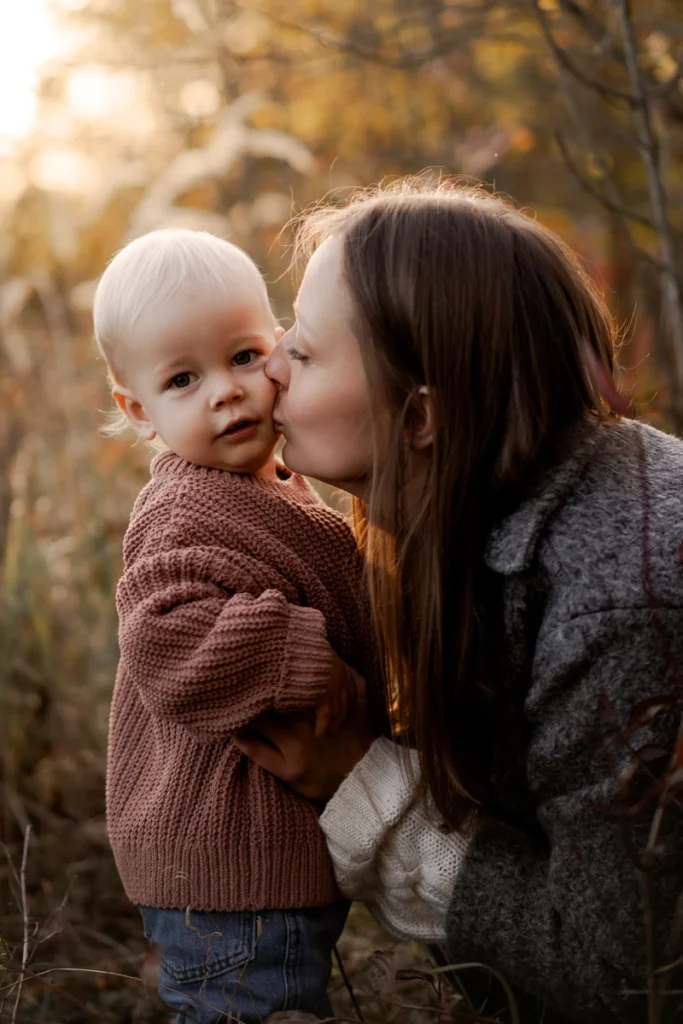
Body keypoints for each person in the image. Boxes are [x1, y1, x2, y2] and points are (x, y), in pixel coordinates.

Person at [233, 180, 683, 1024]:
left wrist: (362, 785)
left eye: (310, 349)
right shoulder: (515, 503)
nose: (270, 358)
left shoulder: (617, 603)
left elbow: (627, 976)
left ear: (420, 418)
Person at [94, 229, 376, 1023]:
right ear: (138, 410)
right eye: (184, 378)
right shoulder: (184, 508)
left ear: (281, 344)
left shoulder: (271, 482)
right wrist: (291, 650)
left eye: (244, 357)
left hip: (265, 855)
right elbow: (162, 638)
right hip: (227, 867)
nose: (225, 390)